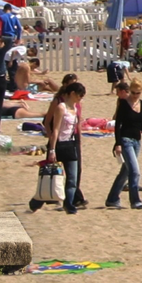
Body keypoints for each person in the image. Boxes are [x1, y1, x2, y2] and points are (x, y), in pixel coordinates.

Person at [107, 79, 142, 210]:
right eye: (133, 92)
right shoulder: (124, 104)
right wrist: (118, 143)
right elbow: (118, 125)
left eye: (138, 93)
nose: (135, 95)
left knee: (125, 172)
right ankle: (135, 201)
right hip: (125, 140)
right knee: (135, 171)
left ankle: (112, 199)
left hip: (137, 141)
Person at [46, 81, 88, 214]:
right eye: (79, 95)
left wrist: (79, 142)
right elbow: (56, 129)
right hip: (60, 144)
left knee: (72, 178)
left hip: (71, 144)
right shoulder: (61, 107)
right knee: (51, 176)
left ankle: (69, 203)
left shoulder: (75, 108)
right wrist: (52, 150)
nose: (81, 98)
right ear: (72, 94)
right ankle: (37, 201)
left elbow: (76, 127)